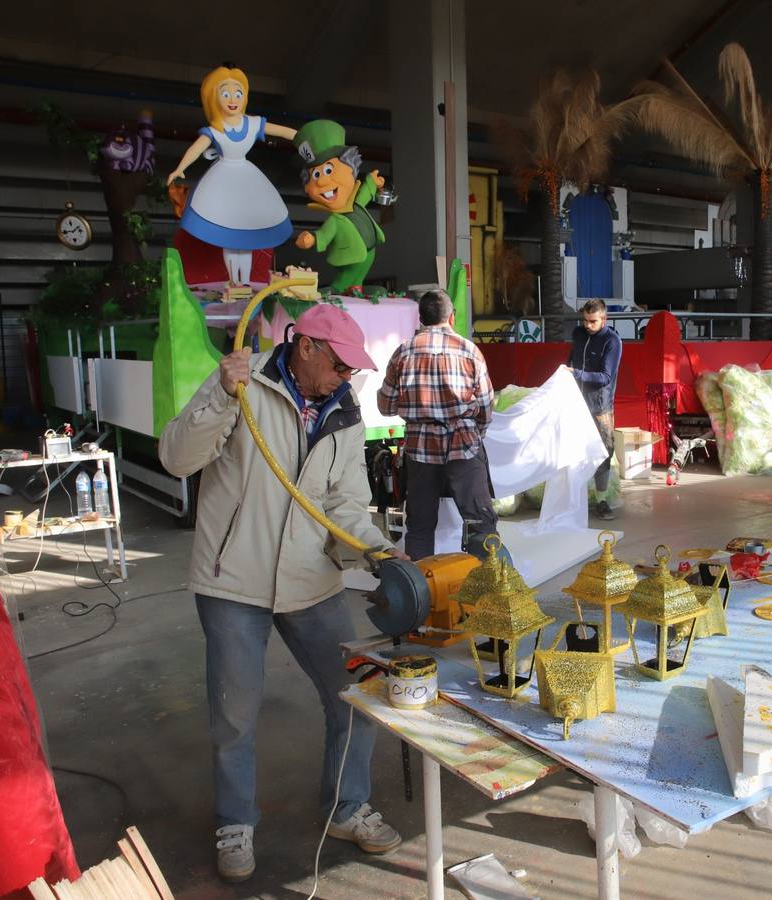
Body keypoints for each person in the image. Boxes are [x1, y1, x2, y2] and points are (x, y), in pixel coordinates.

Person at [159, 305, 405, 883]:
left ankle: (347, 807)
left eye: (352, 368)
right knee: (235, 716)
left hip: (309, 580)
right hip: (233, 581)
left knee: (357, 691)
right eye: (340, 364)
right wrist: (220, 396)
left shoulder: (345, 415)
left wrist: (379, 552)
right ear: (307, 347)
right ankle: (235, 821)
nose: (347, 377)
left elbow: (344, 504)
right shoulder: (241, 385)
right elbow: (176, 457)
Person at [378, 290, 497, 560]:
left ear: (420, 318)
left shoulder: (403, 352)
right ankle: (490, 587)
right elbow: (487, 406)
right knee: (480, 521)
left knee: (420, 525)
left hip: (419, 449)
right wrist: (475, 430)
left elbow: (385, 406)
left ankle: (421, 592)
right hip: (464, 445)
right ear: (451, 317)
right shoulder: (469, 350)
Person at [166, 64, 296, 287]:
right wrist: (180, 168)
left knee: (245, 238)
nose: (232, 99)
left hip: (247, 181)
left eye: (238, 93)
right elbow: (196, 149)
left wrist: (306, 138)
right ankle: (234, 282)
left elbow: (284, 131)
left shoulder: (252, 123)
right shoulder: (215, 129)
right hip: (222, 180)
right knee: (228, 236)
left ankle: (244, 283)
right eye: (225, 94)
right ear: (213, 99)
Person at [292, 119, 387, 295]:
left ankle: (357, 289)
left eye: (328, 170)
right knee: (348, 274)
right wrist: (312, 239)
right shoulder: (334, 220)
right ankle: (336, 290)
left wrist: (372, 182)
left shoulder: (356, 203)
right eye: (316, 175)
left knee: (360, 272)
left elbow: (365, 193)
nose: (321, 180)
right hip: (352, 254)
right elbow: (324, 234)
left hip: (370, 250)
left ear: (350, 168)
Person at [568, 298, 622, 520]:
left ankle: (601, 500)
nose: (588, 325)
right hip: (575, 403)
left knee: (603, 453)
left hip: (600, 407)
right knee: (573, 452)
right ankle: (573, 498)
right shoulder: (578, 334)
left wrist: (576, 374)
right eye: (585, 321)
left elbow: (605, 377)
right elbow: (572, 359)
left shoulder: (612, 341)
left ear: (604, 319)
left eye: (593, 321)